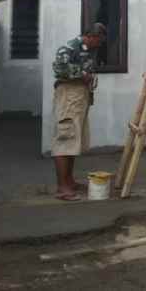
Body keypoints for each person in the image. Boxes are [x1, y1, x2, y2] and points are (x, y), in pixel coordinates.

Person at [51, 22, 106, 200]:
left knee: (74, 140)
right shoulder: (69, 48)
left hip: (80, 97)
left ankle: (70, 181)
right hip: (68, 95)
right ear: (91, 36)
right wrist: (83, 75)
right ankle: (62, 188)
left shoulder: (90, 50)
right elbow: (59, 68)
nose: (99, 45)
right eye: (99, 41)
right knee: (65, 138)